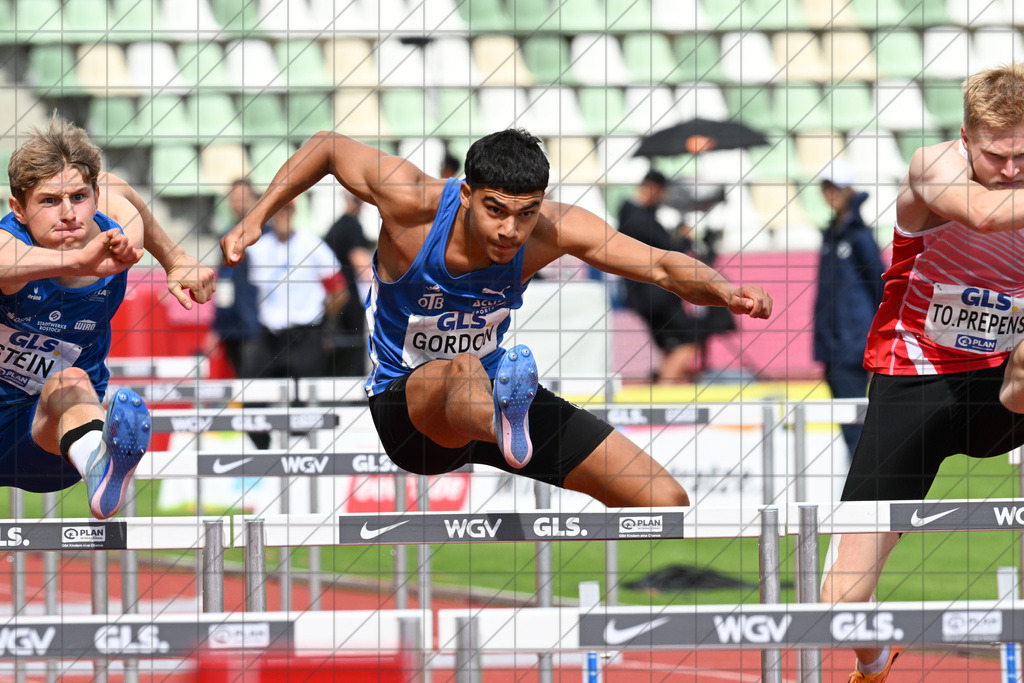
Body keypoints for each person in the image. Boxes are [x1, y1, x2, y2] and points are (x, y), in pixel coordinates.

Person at [222, 128, 771, 508]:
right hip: (411, 413)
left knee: (662, 499)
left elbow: (657, 264)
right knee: (462, 367)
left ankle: (508, 425)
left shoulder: (554, 229)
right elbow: (327, 147)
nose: (511, 231)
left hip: (498, 393)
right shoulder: (412, 204)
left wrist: (724, 290)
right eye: (496, 211)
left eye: (526, 213)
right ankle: (503, 422)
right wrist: (255, 220)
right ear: (466, 195)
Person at [821, 64, 1024, 682]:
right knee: (840, 603)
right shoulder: (931, 168)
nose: (1012, 171)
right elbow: (986, 216)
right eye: (997, 157)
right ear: (966, 137)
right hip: (919, 377)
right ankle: (876, 663)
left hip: (1007, 383)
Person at [1, 115, 215, 519]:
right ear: (19, 209)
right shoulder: (9, 240)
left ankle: (100, 466)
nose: (68, 213)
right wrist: (80, 258)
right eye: (49, 201)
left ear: (95, 196)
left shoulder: (117, 227)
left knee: (71, 381)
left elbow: (120, 190)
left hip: (58, 437)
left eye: (79, 197)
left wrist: (175, 259)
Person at [813, 159, 885, 459]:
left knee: (856, 428)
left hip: (852, 344)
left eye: (837, 187)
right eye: (826, 187)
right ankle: (862, 492)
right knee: (849, 426)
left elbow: (881, 287)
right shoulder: (833, 233)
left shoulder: (858, 235)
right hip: (833, 345)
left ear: (849, 190)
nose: (831, 193)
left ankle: (865, 497)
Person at [247, 199, 347, 381]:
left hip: (305, 336)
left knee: (302, 404)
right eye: (277, 210)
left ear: (294, 212)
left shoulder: (312, 245)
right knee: (255, 398)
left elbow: (339, 291)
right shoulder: (258, 249)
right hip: (269, 336)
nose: (282, 215)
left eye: (287, 210)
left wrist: (326, 325)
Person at [617, 170, 701, 383]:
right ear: (653, 189)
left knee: (671, 347)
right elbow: (670, 253)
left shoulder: (632, 216)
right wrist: (684, 239)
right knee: (687, 342)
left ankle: (665, 394)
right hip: (657, 296)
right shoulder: (639, 219)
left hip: (647, 296)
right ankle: (664, 397)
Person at [322, 191, 373, 376]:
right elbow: (363, 267)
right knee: (351, 367)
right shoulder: (352, 226)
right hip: (347, 309)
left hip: (333, 307)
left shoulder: (336, 226)